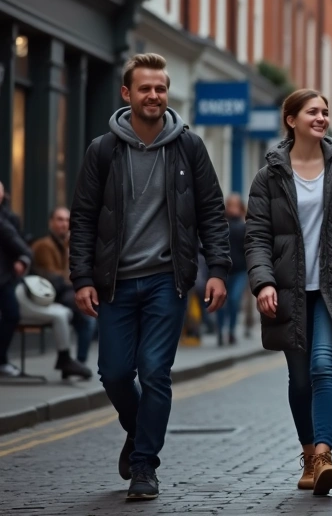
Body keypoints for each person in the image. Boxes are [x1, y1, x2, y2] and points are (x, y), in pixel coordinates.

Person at [69, 53, 231, 500]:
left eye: (160, 88)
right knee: (115, 372)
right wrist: (82, 277)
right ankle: (137, 430)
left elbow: (212, 214)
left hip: (167, 278)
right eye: (145, 88)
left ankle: (144, 466)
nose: (154, 96)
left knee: (156, 370)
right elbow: (82, 218)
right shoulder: (102, 150)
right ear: (127, 93)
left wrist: (217, 269)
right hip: (115, 282)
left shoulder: (189, 147)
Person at [245, 88, 332, 496]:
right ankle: (308, 455)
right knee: (299, 379)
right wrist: (263, 281)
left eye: (325, 112)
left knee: (323, 367)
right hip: (288, 291)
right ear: (291, 120)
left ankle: (324, 457)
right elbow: (256, 237)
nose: (321, 118)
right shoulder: (269, 175)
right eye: (312, 112)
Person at [24, 208, 93, 379]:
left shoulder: (66, 244)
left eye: (67, 220)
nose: (64, 224)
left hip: (64, 292)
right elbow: (54, 277)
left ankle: (75, 363)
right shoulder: (44, 245)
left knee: (87, 317)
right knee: (87, 317)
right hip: (48, 295)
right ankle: (76, 363)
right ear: (51, 223)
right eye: (59, 219)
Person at [0, 181, 31, 378]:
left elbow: (18, 243)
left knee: (12, 314)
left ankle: (1, 360)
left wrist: (23, 258)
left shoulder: (9, 217)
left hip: (4, 277)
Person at [215, 194, 247, 347]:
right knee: (221, 301)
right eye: (230, 205)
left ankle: (232, 331)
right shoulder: (221, 225)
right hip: (224, 270)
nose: (233, 208)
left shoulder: (245, 225)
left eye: (236, 205)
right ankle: (220, 331)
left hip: (240, 270)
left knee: (234, 300)